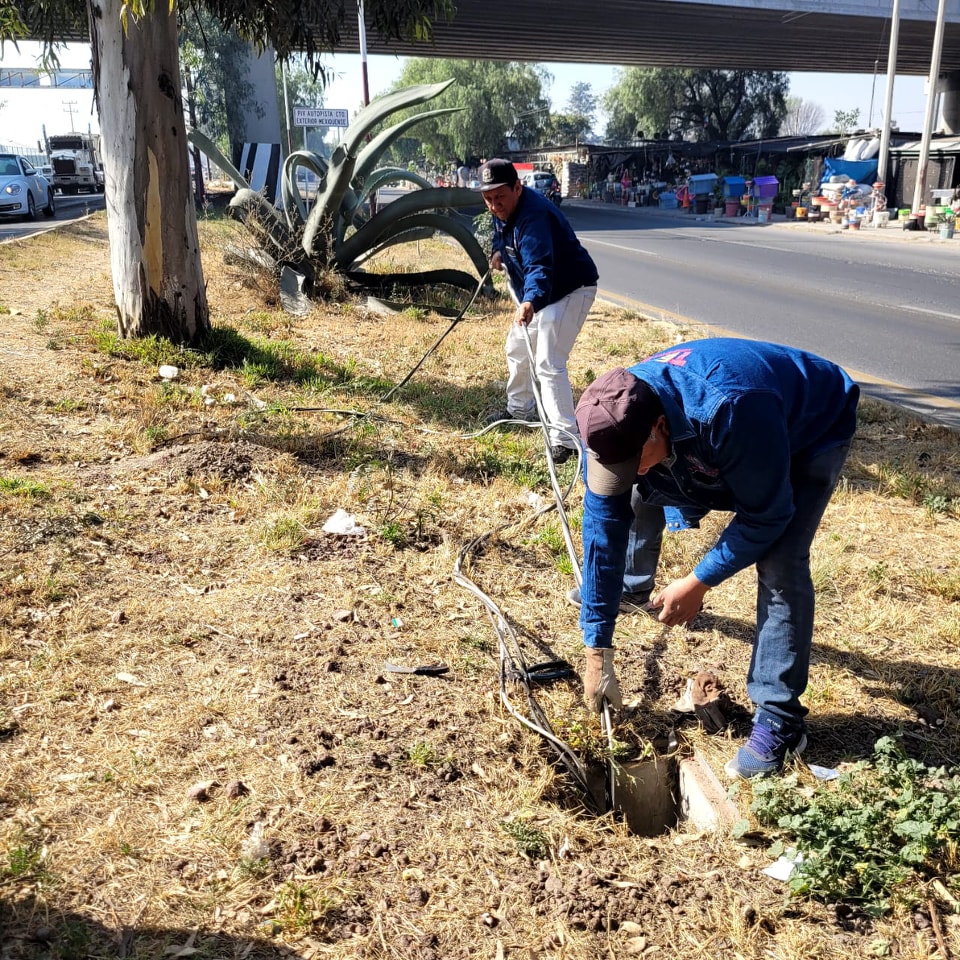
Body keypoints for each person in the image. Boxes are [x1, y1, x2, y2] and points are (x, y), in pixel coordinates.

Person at [572, 338, 859, 778]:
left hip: (809, 425)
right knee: (634, 490)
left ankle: (780, 722)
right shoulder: (616, 414)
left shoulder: (729, 410)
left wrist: (698, 581)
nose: (634, 469)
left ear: (660, 426)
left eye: (637, 458)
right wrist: (597, 649)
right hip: (712, 433)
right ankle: (630, 586)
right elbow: (601, 528)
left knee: (782, 560)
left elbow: (767, 515)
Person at [478, 158, 599, 464]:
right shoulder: (503, 208)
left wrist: (530, 301)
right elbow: (501, 233)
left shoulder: (534, 218)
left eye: (500, 198)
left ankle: (565, 438)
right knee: (517, 348)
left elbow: (540, 266)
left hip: (570, 290)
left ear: (518, 188)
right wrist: (496, 249)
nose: (494, 206)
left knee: (548, 361)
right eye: (488, 199)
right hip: (541, 294)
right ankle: (518, 410)